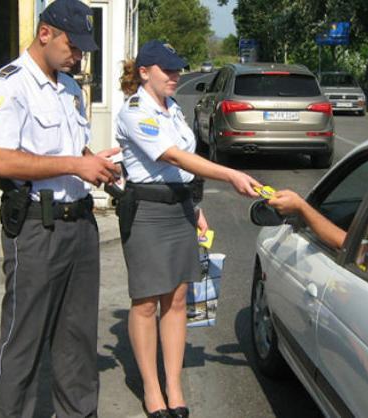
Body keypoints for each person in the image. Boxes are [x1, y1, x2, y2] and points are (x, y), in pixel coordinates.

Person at [0, 1, 120, 416]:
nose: (79, 56)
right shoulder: (9, 85)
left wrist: (94, 162)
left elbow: (71, 149)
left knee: (77, 339)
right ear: (45, 34)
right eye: (73, 46)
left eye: (84, 48)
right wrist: (76, 165)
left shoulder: (68, 87)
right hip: (38, 227)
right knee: (24, 340)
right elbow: (1, 161)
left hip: (79, 223)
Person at [115, 40, 261, 418]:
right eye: (167, 69)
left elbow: (183, 169)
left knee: (177, 298)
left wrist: (194, 208)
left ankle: (174, 385)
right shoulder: (135, 111)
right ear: (144, 72)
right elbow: (175, 157)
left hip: (179, 208)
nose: (175, 75)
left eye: (177, 68)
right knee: (146, 300)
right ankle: (152, 388)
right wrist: (230, 174)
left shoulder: (174, 108)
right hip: (147, 212)